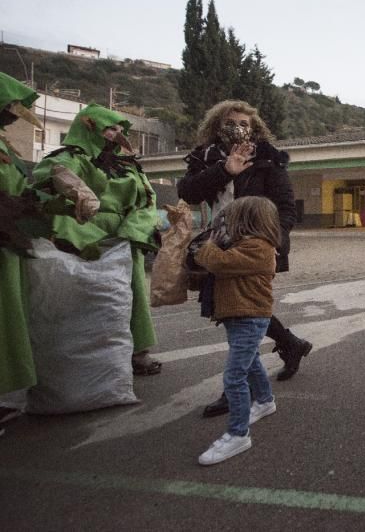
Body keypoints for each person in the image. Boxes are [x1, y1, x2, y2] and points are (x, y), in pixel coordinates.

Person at [177, 100, 311, 419]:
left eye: (245, 123)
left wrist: (271, 241)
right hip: (220, 242)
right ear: (217, 125)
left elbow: (286, 208)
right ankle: (289, 345)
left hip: (255, 246)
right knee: (235, 310)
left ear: (255, 128)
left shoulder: (267, 159)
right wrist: (225, 170)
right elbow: (189, 192)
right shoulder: (206, 157)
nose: (238, 127)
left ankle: (237, 387)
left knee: (239, 311)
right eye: (231, 121)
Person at [32, 103, 162, 375]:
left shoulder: (128, 166)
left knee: (132, 293)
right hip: (81, 233)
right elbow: (50, 175)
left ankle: (138, 352)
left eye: (118, 128)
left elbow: (147, 199)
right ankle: (78, 353)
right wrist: (72, 188)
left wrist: (135, 230)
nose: (115, 133)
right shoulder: (71, 157)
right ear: (89, 126)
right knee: (82, 296)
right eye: (109, 128)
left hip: (125, 235)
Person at [0, 74, 100, 423]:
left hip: (11, 246)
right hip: (9, 242)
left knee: (13, 320)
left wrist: (60, 199)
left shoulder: (6, 151)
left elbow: (25, 197)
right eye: (10, 109)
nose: (14, 117)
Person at [194, 196, 280, 466]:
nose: (225, 223)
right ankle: (265, 401)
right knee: (251, 361)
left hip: (249, 317)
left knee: (233, 377)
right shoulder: (247, 244)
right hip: (239, 316)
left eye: (231, 218)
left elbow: (217, 262)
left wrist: (206, 244)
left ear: (246, 222)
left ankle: (238, 434)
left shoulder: (258, 247)